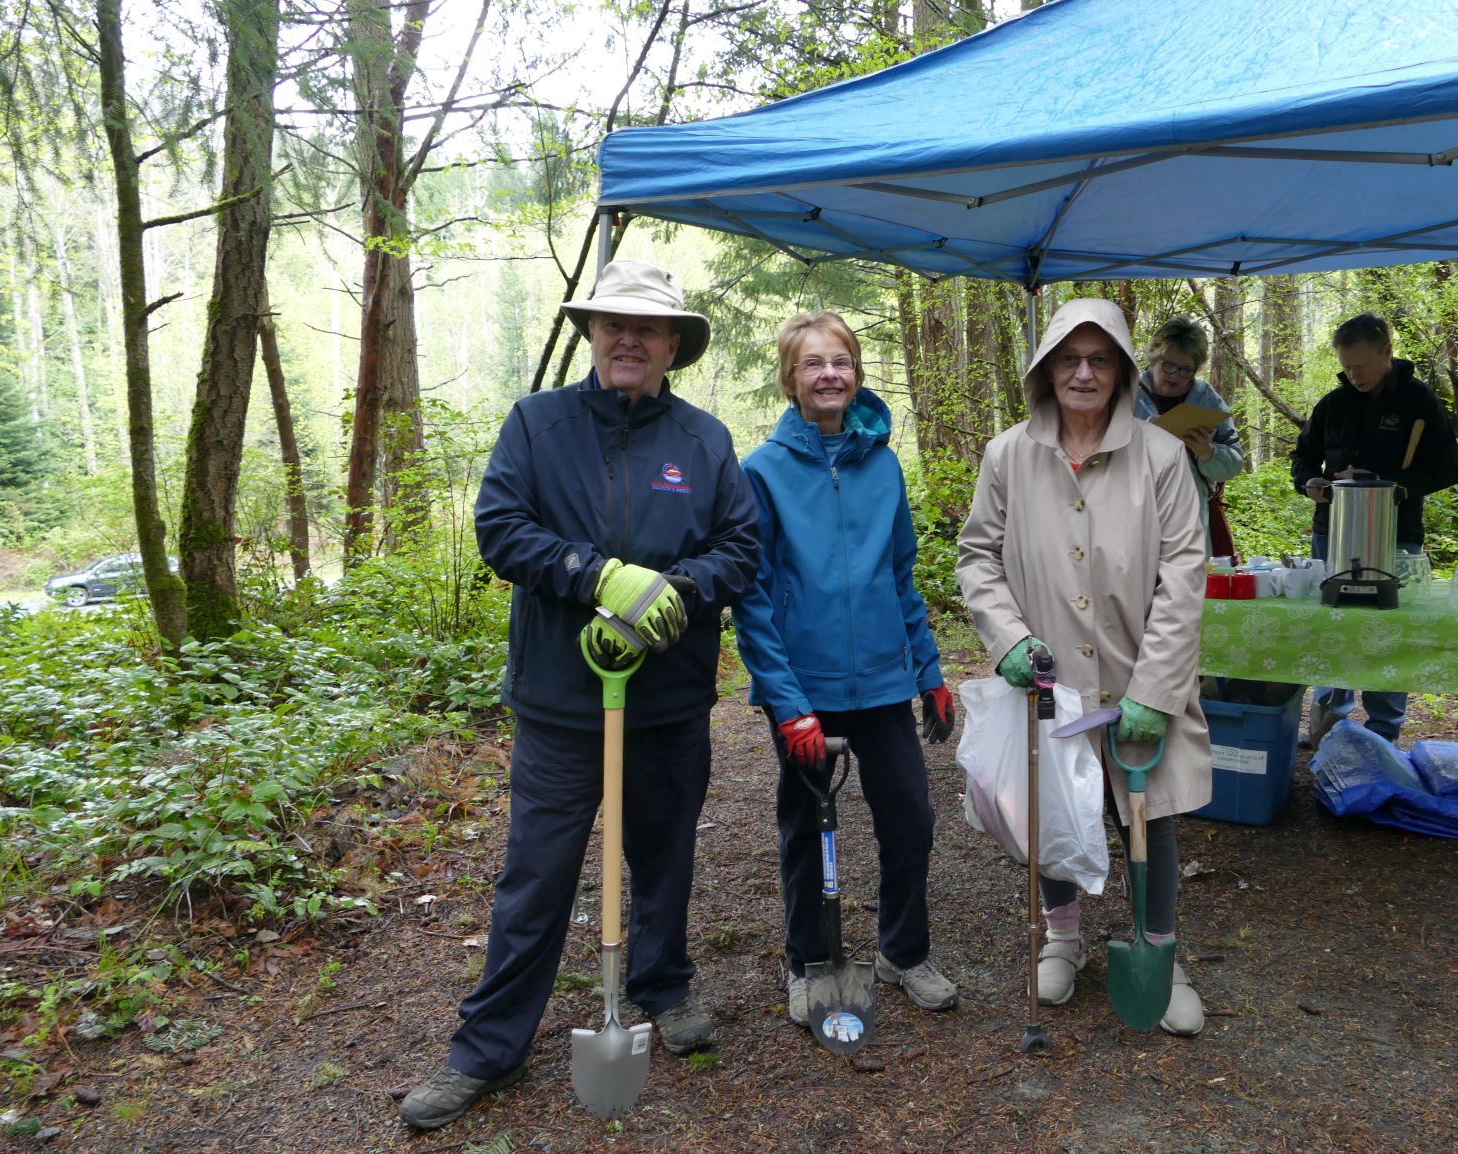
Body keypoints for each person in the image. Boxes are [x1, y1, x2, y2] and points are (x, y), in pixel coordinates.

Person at [400, 260, 761, 1130]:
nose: (628, 338)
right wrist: (598, 577)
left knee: (664, 855)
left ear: (673, 344)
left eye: (647, 328)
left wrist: (673, 592)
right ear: (592, 335)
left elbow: (741, 548)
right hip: (562, 703)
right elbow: (500, 529)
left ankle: (663, 987)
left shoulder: (704, 440)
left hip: (669, 701)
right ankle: (486, 1049)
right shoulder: (537, 424)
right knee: (537, 875)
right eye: (612, 324)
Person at [956, 297, 1212, 1034]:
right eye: (1069, 359)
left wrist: (1157, 689)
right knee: (1054, 811)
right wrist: (1004, 639)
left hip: (1137, 670)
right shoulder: (1009, 454)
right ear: (1045, 370)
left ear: (1124, 371)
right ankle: (1062, 938)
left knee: (1149, 815)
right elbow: (977, 556)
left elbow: (1183, 577)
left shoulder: (1161, 457)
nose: (1084, 373)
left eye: (1100, 360)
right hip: (1049, 673)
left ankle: (1157, 955)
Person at [733, 312, 960, 1029]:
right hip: (805, 689)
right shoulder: (761, 472)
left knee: (911, 818)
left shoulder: (883, 464)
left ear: (856, 373)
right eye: (812, 364)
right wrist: (786, 700)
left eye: (841, 361)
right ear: (790, 379)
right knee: (804, 825)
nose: (829, 374)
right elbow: (754, 597)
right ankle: (805, 961)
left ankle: (903, 950)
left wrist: (928, 671)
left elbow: (902, 578)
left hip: (885, 683)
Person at [1290, 311, 1458, 749]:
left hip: (1396, 534)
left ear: (1387, 352)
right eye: (1347, 367)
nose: (1355, 375)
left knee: (1390, 631)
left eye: (1362, 366)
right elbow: (1304, 456)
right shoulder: (1333, 403)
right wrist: (1309, 483)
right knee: (1335, 625)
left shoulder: (1419, 402)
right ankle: (1328, 723)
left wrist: (1398, 488)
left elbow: (1449, 467)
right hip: (1332, 532)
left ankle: (1383, 733)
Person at [1132, 315, 1244, 557]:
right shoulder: (1125, 396)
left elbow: (1235, 462)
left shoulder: (1207, 399)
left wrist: (1208, 453)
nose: (1175, 376)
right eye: (1168, 365)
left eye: (1186, 370)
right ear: (1154, 357)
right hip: (1133, 517)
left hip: (1189, 518)